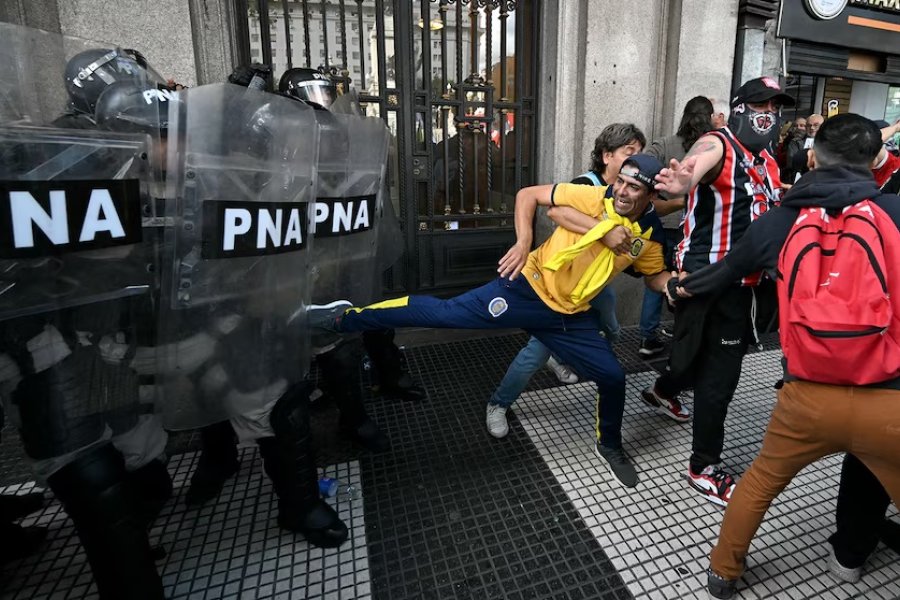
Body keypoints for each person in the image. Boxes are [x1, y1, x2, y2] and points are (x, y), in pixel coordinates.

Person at [308, 154, 677, 488]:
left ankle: (609, 445)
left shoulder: (648, 237)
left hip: (569, 316)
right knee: (446, 314)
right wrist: (523, 240)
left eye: (635, 187)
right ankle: (346, 317)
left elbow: (654, 276)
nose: (623, 191)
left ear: (650, 197)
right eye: (622, 182)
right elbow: (528, 195)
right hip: (526, 289)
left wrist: (674, 285)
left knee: (612, 376)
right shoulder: (594, 197)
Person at [664, 114, 900, 600]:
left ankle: (723, 572)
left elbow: (723, 272)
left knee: (759, 485)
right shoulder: (896, 213)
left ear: (812, 158)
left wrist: (674, 285)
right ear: (878, 161)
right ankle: (849, 558)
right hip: (889, 401)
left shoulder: (778, 221)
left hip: (806, 398)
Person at [0, 40, 173, 598]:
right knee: (90, 476)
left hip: (115, 333)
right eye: (148, 132)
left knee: (142, 463)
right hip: (50, 339)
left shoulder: (143, 162)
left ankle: (132, 534)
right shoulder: (45, 156)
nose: (159, 144)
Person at [643, 76, 792, 506]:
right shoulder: (718, 143)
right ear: (740, 109)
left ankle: (661, 391)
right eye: (761, 105)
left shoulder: (768, 161)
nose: (769, 115)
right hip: (707, 283)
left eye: (776, 108)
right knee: (718, 379)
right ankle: (703, 466)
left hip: (745, 286)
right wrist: (680, 182)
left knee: (698, 362)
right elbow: (694, 166)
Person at [491, 123, 645, 395]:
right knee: (537, 349)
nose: (636, 160)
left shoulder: (632, 193)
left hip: (595, 285)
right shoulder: (586, 185)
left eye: (640, 153)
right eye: (629, 152)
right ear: (607, 156)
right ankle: (499, 402)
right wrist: (605, 232)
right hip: (562, 286)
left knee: (612, 330)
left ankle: (571, 360)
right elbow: (555, 212)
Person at [640, 96, 717, 357]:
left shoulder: (664, 143)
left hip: (663, 224)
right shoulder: (713, 149)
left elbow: (643, 167)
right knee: (688, 281)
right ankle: (682, 333)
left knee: (656, 276)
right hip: (696, 230)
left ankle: (648, 337)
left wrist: (660, 197)